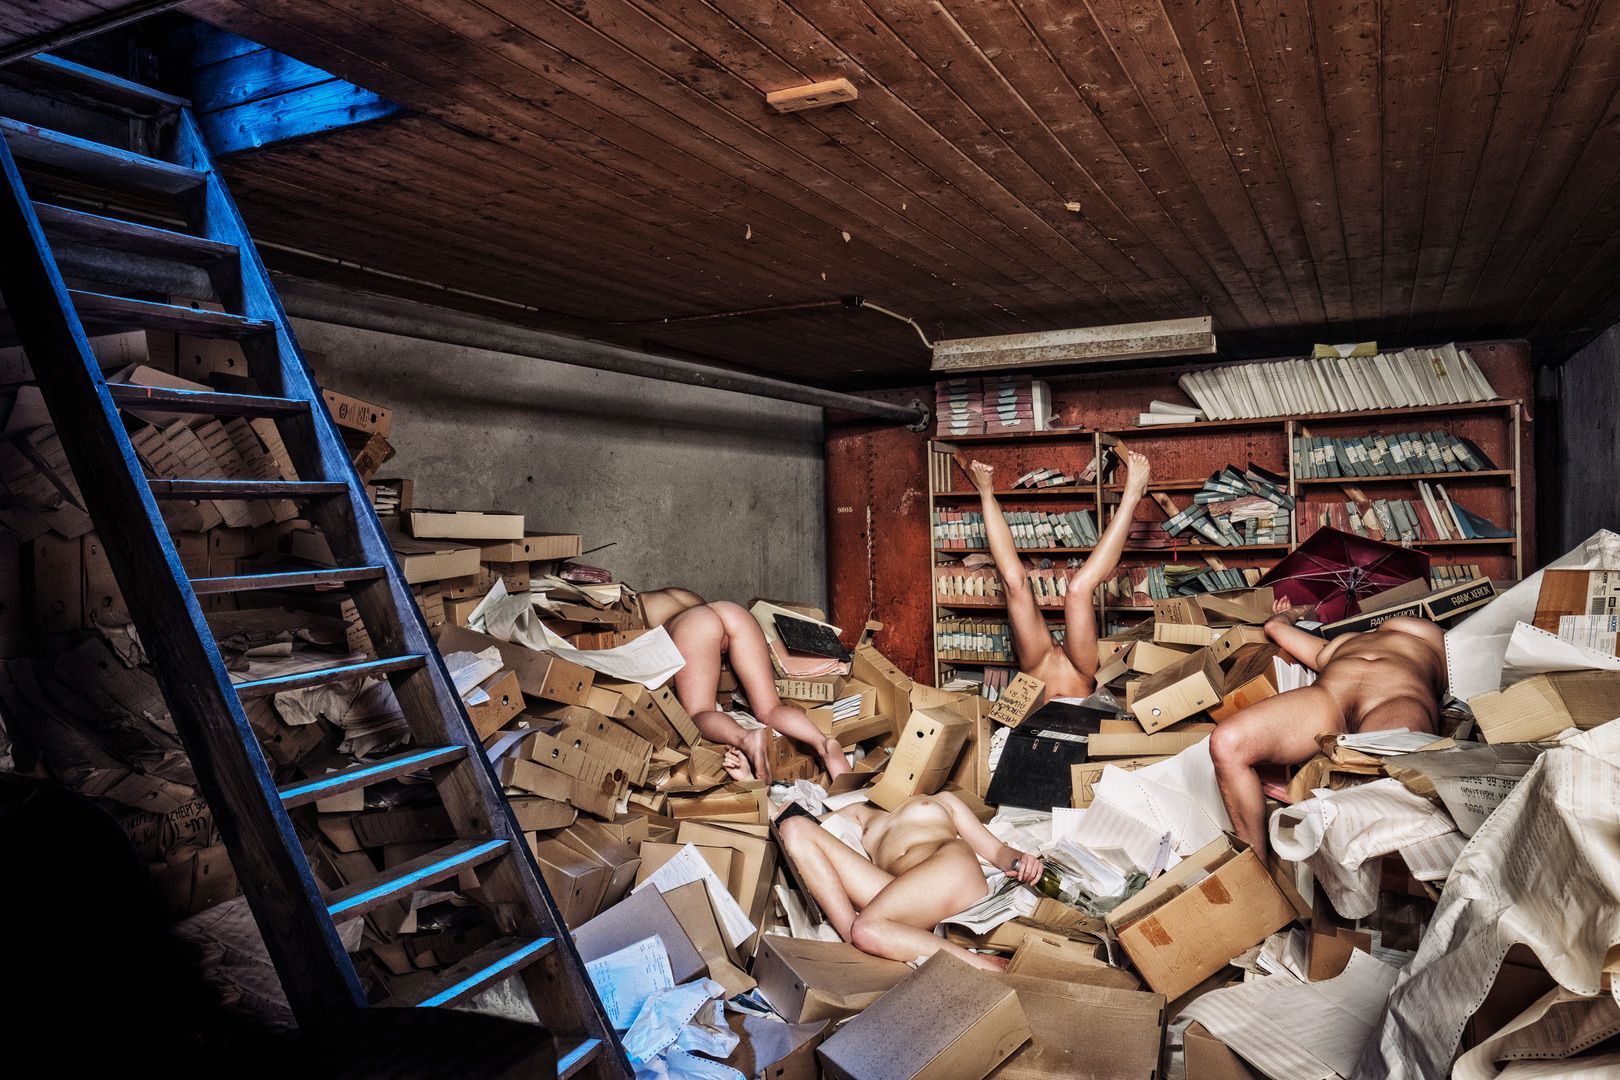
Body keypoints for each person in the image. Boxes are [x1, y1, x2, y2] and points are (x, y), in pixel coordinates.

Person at [1208, 599, 1448, 859]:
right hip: (1329, 697)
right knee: (1227, 742)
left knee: (1397, 776)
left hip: (1396, 696)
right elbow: (1275, 627)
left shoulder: (1442, 643)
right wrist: (1298, 611)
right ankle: (1256, 871)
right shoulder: (1332, 645)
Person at [775, 790, 1044, 970]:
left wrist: (1020, 861)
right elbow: (791, 820)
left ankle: (981, 967)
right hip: (902, 894)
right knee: (794, 827)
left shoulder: (942, 799)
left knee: (867, 928)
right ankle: (851, 937)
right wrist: (754, 783)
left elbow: (997, 851)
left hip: (949, 869)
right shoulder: (858, 810)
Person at [965, 449, 1152, 702]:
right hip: (1079, 674)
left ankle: (985, 493)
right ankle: (1131, 497)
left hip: (1036, 671)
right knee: (1079, 589)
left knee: (1015, 583)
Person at [637, 587, 850, 782]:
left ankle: (747, 738)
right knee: (770, 708)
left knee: (699, 713)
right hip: (730, 611)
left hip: (695, 624)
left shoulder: (635, 604)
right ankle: (823, 743)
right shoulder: (676, 593)